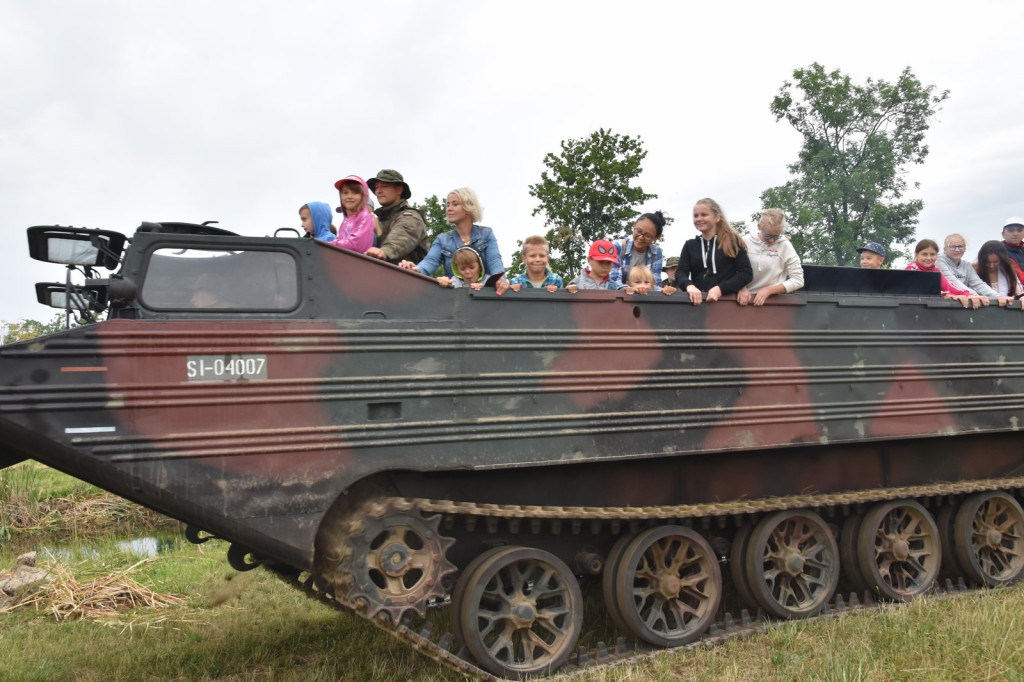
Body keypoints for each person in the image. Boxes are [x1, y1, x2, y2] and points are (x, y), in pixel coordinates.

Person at [399, 187, 509, 294]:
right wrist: (415, 269)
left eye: (455, 204)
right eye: (448, 205)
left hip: (484, 296)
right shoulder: (442, 239)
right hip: (455, 298)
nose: (449, 209)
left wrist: (501, 280)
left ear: (468, 207)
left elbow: (494, 261)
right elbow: (430, 261)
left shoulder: (486, 234)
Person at [675, 198, 752, 305]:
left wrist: (720, 289)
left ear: (717, 217)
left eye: (704, 215)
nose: (699, 219)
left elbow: (746, 274)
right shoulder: (689, 245)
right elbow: (681, 272)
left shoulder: (733, 241)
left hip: (727, 303)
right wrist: (689, 286)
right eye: (696, 216)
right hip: (697, 304)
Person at [737, 209, 804, 306]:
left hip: (773, 303)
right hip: (742, 300)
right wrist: (741, 287)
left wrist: (768, 291)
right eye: (768, 235)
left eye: (776, 236)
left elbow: (798, 280)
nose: (772, 240)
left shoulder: (785, 246)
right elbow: (731, 270)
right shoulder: (744, 242)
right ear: (759, 227)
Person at [365, 169, 430, 264]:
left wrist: (383, 250)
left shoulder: (410, 217)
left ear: (399, 190)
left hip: (405, 272)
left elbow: (398, 241)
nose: (378, 191)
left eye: (384, 186)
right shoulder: (380, 218)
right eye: (376, 187)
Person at [905, 239, 982, 309]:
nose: (929, 258)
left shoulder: (936, 271)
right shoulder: (911, 269)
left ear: (937, 255)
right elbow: (925, 291)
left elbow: (950, 286)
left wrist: (969, 295)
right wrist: (947, 295)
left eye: (932, 254)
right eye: (924, 254)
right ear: (916, 254)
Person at [936, 233, 1004, 303]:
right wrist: (973, 295)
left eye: (960, 246)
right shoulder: (939, 261)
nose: (957, 250)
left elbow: (978, 284)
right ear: (945, 249)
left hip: (962, 302)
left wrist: (998, 296)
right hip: (943, 302)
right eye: (952, 247)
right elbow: (953, 281)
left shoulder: (967, 265)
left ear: (965, 249)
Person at [608, 211, 668, 290]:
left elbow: (655, 283)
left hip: (645, 295)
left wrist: (664, 290)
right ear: (634, 225)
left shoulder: (657, 253)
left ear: (657, 237)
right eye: (639, 231)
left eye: (647, 235)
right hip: (620, 295)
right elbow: (613, 280)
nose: (640, 237)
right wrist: (628, 289)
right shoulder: (618, 247)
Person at [330, 175, 376, 253]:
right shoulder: (346, 220)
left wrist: (329, 244)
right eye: (345, 193)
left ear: (363, 196)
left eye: (355, 193)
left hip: (357, 260)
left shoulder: (364, 216)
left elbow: (355, 244)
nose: (349, 196)